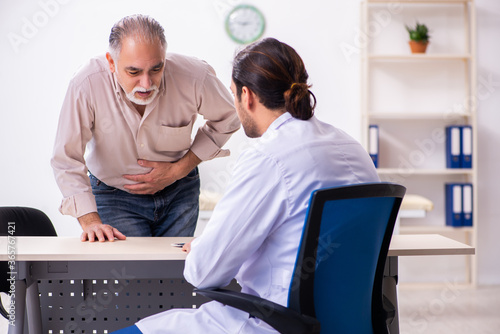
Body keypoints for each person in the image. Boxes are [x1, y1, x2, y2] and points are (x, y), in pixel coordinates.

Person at [113, 37, 380, 333]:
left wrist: (204, 248)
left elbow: (203, 273)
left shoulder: (268, 157)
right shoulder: (352, 148)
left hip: (274, 322)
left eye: (233, 96)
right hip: (349, 323)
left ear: (246, 95)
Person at [51, 15, 240, 242]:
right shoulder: (86, 84)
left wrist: (179, 169)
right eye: (134, 72)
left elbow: (229, 118)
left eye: (156, 69)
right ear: (111, 62)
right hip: (113, 195)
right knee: (129, 275)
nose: (146, 84)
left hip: (181, 191)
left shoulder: (194, 76)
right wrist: (91, 221)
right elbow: (66, 158)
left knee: (174, 274)